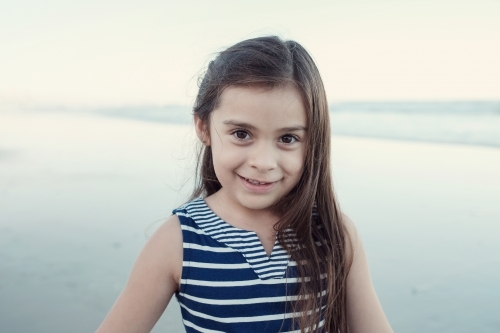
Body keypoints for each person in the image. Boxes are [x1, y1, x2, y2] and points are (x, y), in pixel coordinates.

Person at [95, 36, 393, 333]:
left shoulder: (333, 233)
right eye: (241, 133)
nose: (263, 162)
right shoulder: (179, 242)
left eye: (287, 138)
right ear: (203, 127)